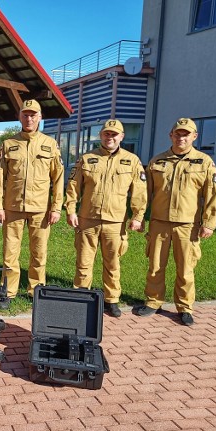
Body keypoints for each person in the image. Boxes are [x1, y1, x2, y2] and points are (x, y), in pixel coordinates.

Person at [137, 118, 216, 326]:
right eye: (178, 133)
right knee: (155, 266)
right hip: (159, 222)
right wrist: (139, 217)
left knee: (186, 268)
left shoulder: (204, 162)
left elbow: (212, 194)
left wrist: (208, 222)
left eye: (186, 133)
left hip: (187, 225)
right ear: (171, 135)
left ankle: (184, 307)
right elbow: (144, 194)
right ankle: (154, 301)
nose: (181, 137)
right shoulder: (157, 161)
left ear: (194, 136)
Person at [64, 119, 147, 317]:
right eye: (107, 133)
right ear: (101, 135)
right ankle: (82, 295)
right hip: (88, 219)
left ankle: (111, 300)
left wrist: (138, 216)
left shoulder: (132, 160)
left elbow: (139, 191)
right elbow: (73, 186)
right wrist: (71, 210)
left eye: (114, 134)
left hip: (115, 221)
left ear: (121, 137)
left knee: (112, 262)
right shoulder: (87, 158)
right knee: (83, 261)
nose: (110, 137)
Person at [0, 99, 64, 305]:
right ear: (19, 117)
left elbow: (58, 178)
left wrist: (57, 207)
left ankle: (35, 291)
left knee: (39, 252)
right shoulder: (8, 144)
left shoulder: (50, 144)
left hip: (40, 209)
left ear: (40, 117)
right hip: (13, 207)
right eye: (25, 114)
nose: (29, 118)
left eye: (33, 115)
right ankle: (8, 291)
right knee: (9, 252)